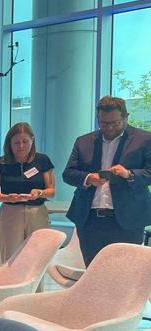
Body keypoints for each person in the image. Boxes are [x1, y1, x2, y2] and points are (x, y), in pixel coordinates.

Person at [62, 96, 151, 266]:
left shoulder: (145, 140)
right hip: (90, 221)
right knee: (94, 275)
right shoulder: (83, 141)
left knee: (124, 274)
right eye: (103, 123)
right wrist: (88, 178)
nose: (109, 128)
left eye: (115, 123)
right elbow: (68, 173)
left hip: (127, 220)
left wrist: (129, 174)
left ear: (127, 116)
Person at [0, 122, 55, 263]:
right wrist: (7, 197)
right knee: (11, 257)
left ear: (32, 140)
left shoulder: (43, 160)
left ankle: (35, 286)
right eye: (16, 142)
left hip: (37, 212)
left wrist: (40, 193)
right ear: (9, 143)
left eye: (25, 141)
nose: (21, 146)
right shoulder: (0, 163)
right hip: (11, 213)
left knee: (37, 258)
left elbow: (51, 191)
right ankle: (9, 285)